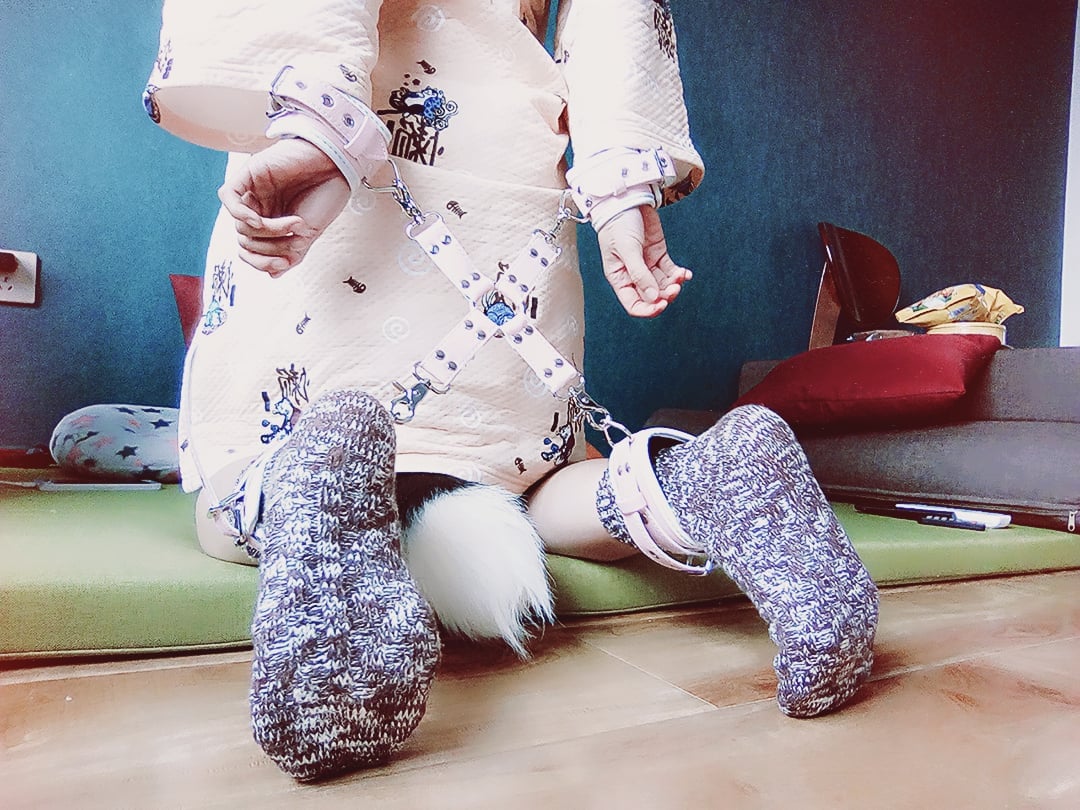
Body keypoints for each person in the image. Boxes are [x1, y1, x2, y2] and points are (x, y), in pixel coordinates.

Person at [144, 0, 879, 782]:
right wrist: (621, 192)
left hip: (348, 161)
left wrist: (316, 129)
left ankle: (314, 479)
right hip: (510, 178)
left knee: (239, 486)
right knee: (524, 475)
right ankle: (695, 481)